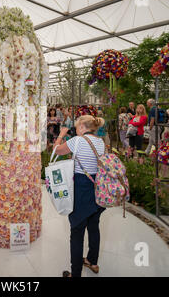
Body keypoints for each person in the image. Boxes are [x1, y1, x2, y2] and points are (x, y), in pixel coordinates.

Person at [53, 115, 106, 278]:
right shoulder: (101, 142)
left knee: (77, 233)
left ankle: (75, 274)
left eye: (77, 126)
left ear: (83, 126)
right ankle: (92, 261)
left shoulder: (78, 140)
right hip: (97, 189)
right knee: (94, 227)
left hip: (82, 189)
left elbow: (57, 150)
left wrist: (61, 135)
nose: (76, 129)